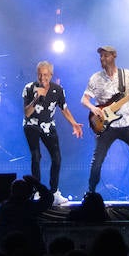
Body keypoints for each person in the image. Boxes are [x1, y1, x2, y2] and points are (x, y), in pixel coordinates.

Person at [80, 45, 129, 199]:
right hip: (106, 126)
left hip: (128, 122)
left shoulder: (127, 74)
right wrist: (94, 108)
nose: (102, 59)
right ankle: (91, 191)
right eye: (101, 56)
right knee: (98, 158)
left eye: (105, 55)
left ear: (114, 56)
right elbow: (84, 99)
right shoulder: (95, 78)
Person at [21, 60, 84, 205]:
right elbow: (27, 113)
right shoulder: (29, 88)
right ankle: (36, 191)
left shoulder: (58, 90)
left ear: (51, 75)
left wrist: (74, 123)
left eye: (46, 75)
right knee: (36, 155)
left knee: (57, 157)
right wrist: (37, 98)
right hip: (31, 125)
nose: (43, 78)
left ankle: (54, 192)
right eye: (40, 75)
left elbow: (64, 109)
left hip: (48, 125)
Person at [0, 174, 55, 254]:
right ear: (29, 193)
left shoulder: (2, 206)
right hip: (32, 250)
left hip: (9, 251)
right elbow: (48, 198)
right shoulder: (29, 207)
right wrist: (37, 184)